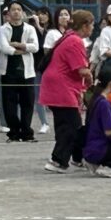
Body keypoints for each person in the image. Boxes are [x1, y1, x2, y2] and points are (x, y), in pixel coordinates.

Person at [38, 9, 92, 173]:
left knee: (70, 124)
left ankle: (78, 157)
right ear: (84, 25)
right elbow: (81, 69)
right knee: (70, 127)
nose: (92, 28)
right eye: (91, 25)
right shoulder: (75, 41)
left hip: (55, 85)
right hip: (62, 88)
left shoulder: (67, 36)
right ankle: (58, 160)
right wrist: (91, 79)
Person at [0, 2, 39, 143]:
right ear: (9, 13)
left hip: (27, 72)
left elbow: (35, 47)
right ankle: (14, 132)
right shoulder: (2, 29)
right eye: (13, 9)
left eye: (19, 9)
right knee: (9, 104)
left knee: (28, 103)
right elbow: (4, 47)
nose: (16, 12)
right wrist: (20, 51)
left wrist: (20, 45)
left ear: (23, 13)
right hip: (8, 71)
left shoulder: (30, 28)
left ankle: (26, 132)